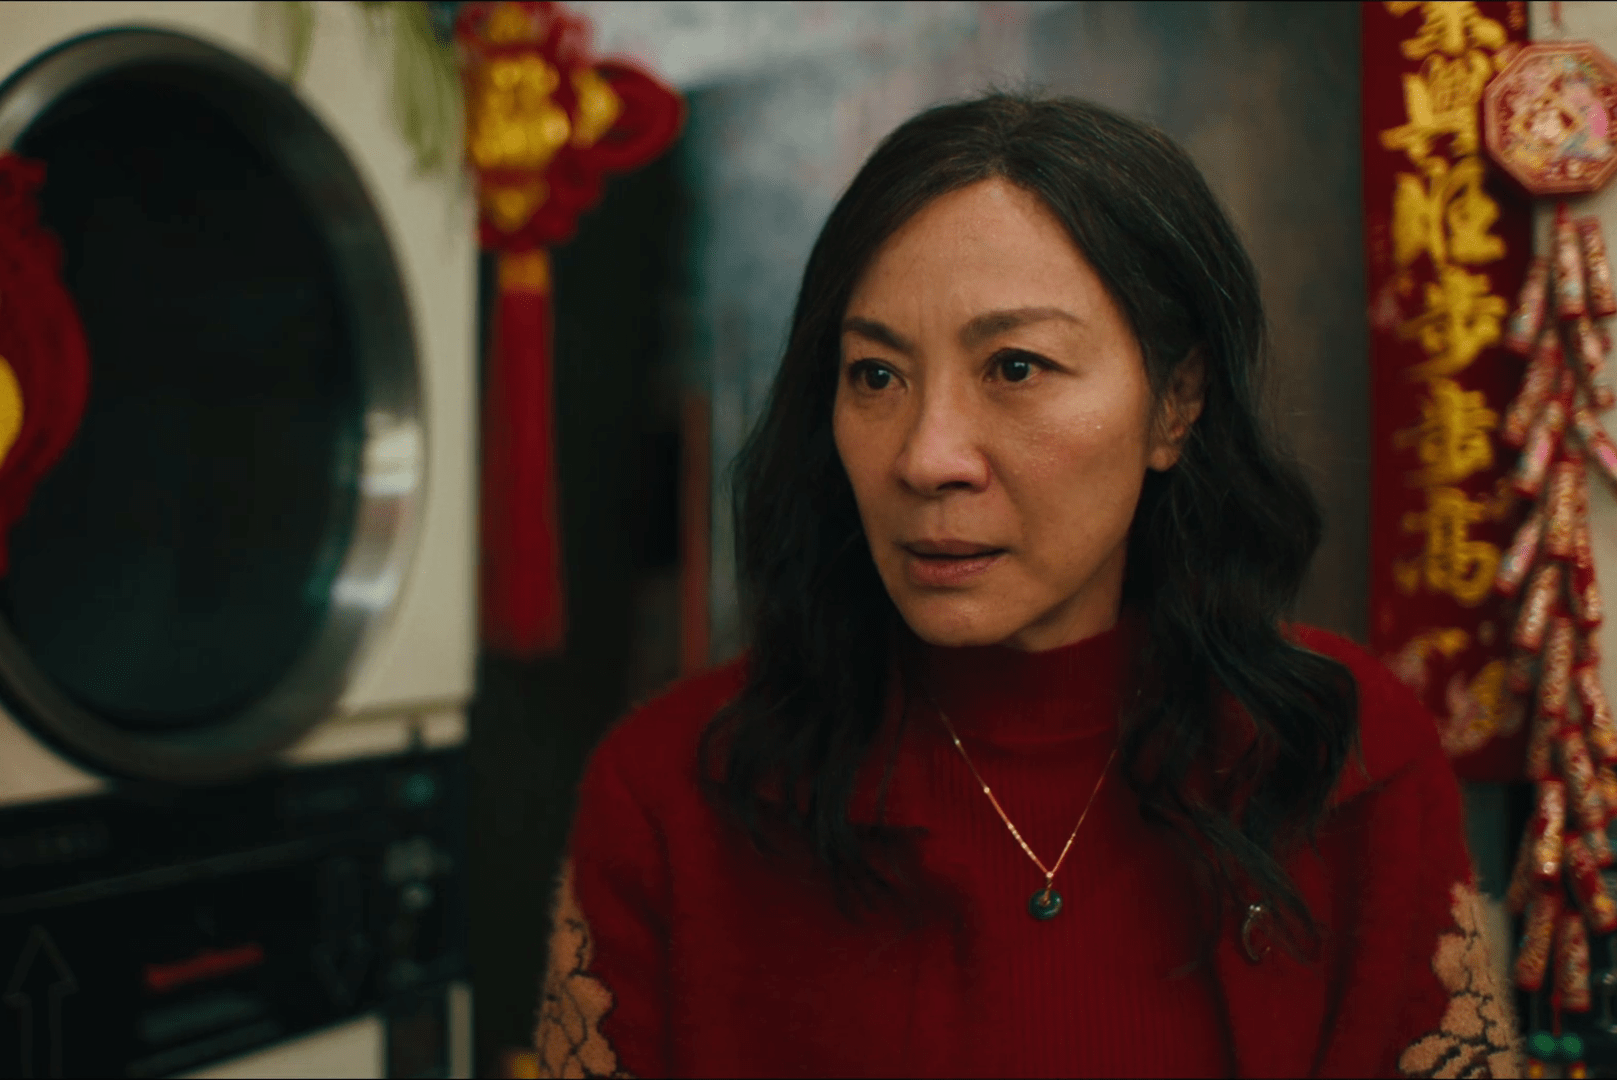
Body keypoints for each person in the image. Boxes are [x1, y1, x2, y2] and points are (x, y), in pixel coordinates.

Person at [533, 94, 1520, 1079]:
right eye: (875, 375)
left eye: (1014, 367)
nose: (927, 458)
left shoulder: (1342, 757)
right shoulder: (671, 793)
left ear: (1175, 403)